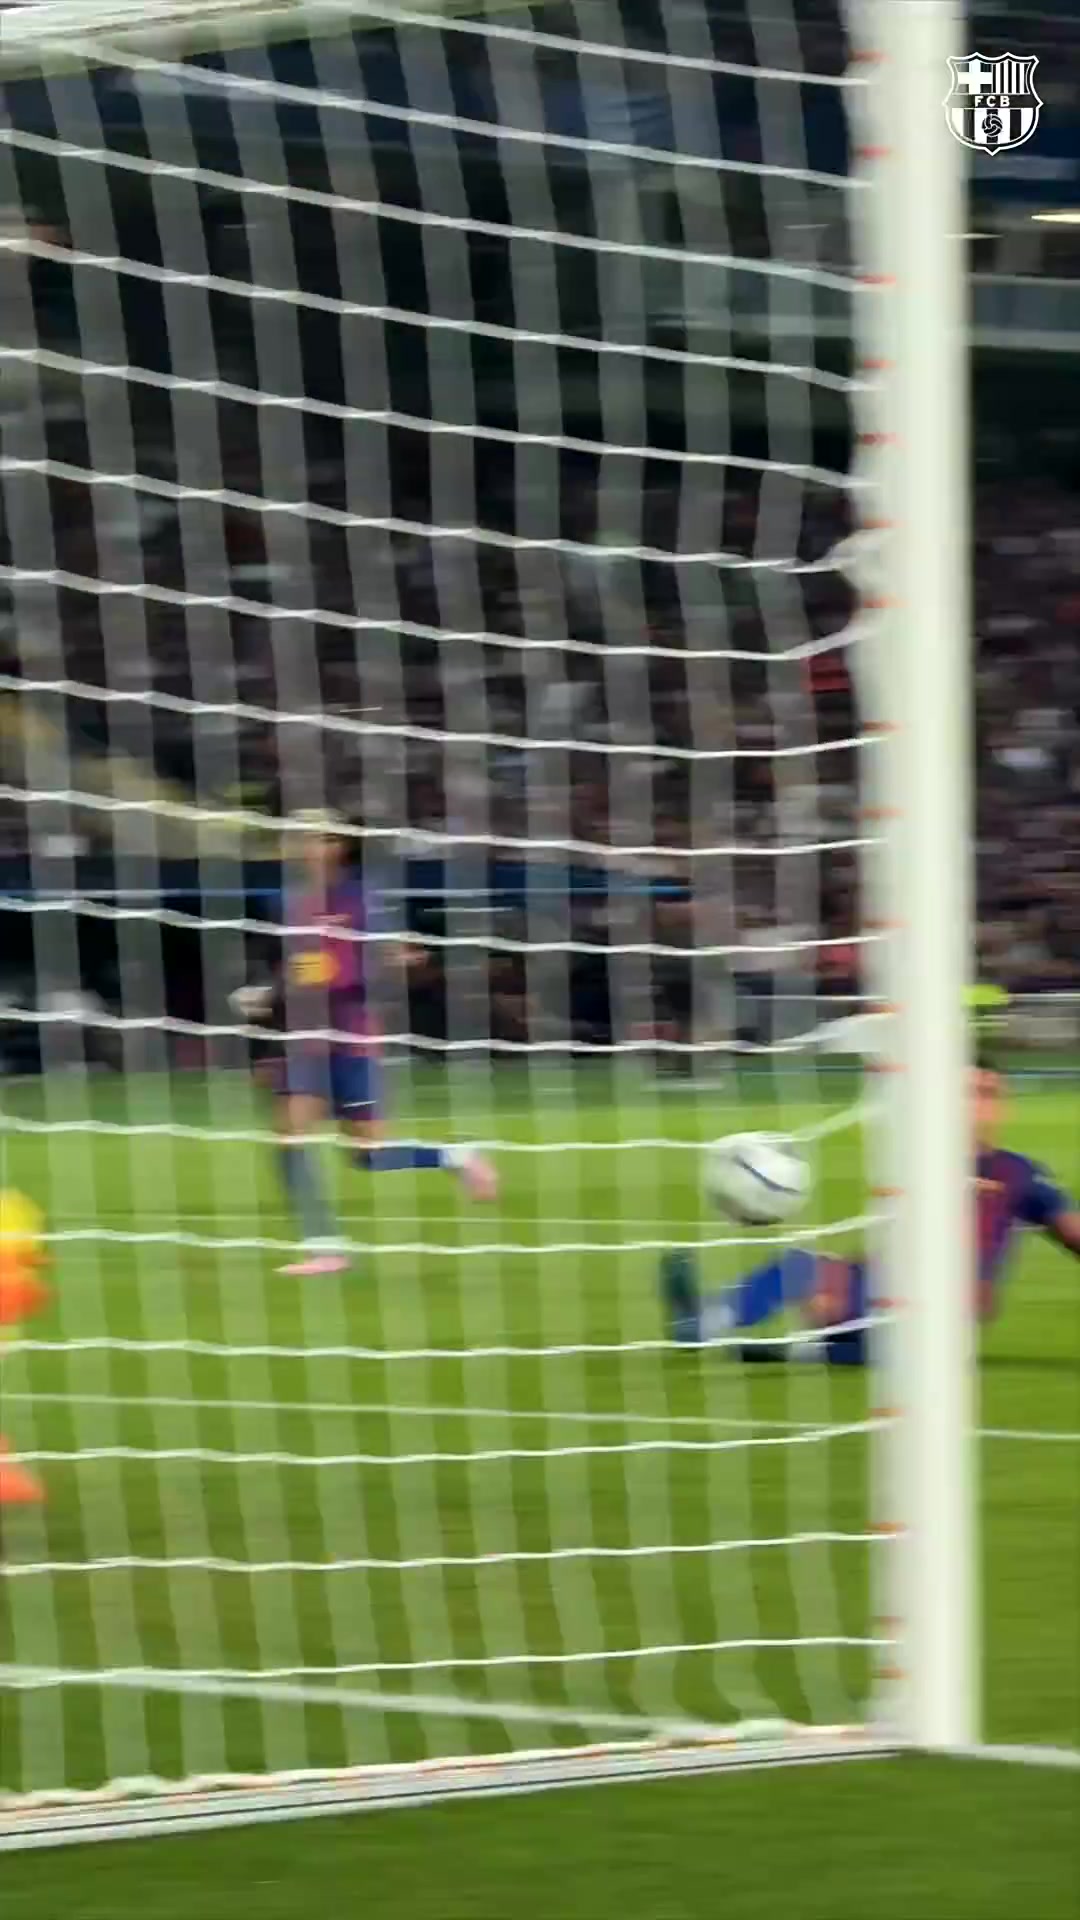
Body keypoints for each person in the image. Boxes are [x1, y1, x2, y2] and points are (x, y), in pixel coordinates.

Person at [661, 1065, 1080, 1365]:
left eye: (987, 1094)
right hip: (896, 1298)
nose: (976, 1105)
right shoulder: (921, 1163)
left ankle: (750, 1338)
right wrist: (842, 1279)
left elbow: (1072, 1233)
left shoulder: (1019, 1173)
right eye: (966, 1093)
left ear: (1001, 1107)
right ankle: (720, 1329)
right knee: (803, 1267)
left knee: (807, 1274)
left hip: (946, 1315)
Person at [235, 812, 497, 1276]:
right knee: (289, 1138)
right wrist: (267, 996)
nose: (302, 845)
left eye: (314, 837)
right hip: (307, 1042)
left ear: (337, 845)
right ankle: (326, 1249)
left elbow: (369, 968)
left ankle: (454, 1156)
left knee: (369, 1155)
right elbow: (291, 968)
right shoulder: (291, 903)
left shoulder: (359, 900)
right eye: (298, 837)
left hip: (352, 1039)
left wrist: (324, 973)